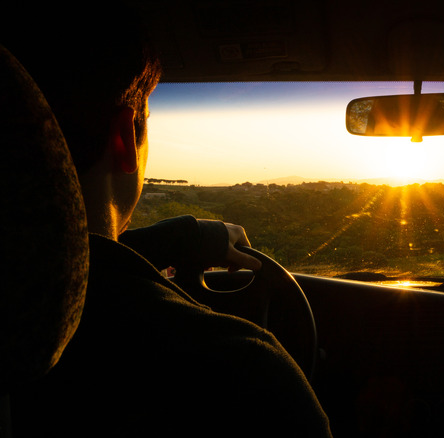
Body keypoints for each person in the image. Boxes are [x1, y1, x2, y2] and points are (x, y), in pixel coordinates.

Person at [3, 4, 332, 437]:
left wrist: (185, 238)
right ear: (125, 139)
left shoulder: (15, 304)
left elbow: (76, 260)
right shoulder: (241, 371)